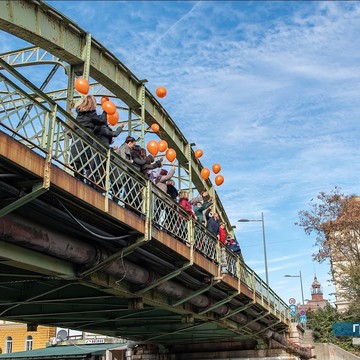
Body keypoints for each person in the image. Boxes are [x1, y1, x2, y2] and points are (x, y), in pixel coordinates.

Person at [70, 95, 107, 182]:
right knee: (84, 158)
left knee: (78, 158)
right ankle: (80, 179)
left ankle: (77, 177)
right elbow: (102, 121)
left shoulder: (79, 112)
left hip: (77, 134)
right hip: (86, 135)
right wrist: (105, 112)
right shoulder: (91, 114)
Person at [93, 122, 124, 190]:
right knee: (102, 171)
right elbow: (114, 134)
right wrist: (120, 128)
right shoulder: (103, 128)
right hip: (103, 154)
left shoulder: (98, 130)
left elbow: (103, 142)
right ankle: (99, 188)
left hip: (99, 152)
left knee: (99, 170)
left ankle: (97, 186)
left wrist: (111, 146)